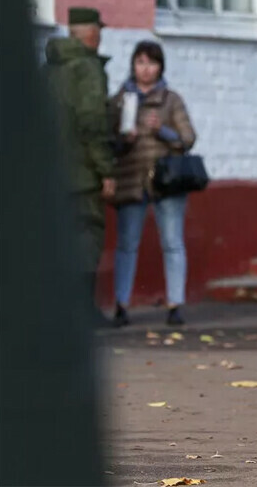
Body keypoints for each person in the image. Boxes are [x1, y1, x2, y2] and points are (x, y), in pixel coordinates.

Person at [109, 41, 196, 327]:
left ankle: (175, 305)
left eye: (151, 63)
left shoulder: (171, 99)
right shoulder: (120, 100)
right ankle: (121, 305)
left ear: (160, 67)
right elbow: (108, 144)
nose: (145, 69)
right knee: (126, 245)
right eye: (140, 62)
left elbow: (188, 138)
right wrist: (125, 139)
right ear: (133, 65)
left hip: (166, 182)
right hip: (131, 180)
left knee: (172, 243)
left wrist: (164, 131)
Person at [45, 7, 115, 321]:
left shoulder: (48, 69)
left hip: (50, 174)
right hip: (82, 174)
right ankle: (82, 311)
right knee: (87, 237)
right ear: (91, 33)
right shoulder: (87, 69)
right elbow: (93, 124)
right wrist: (106, 171)